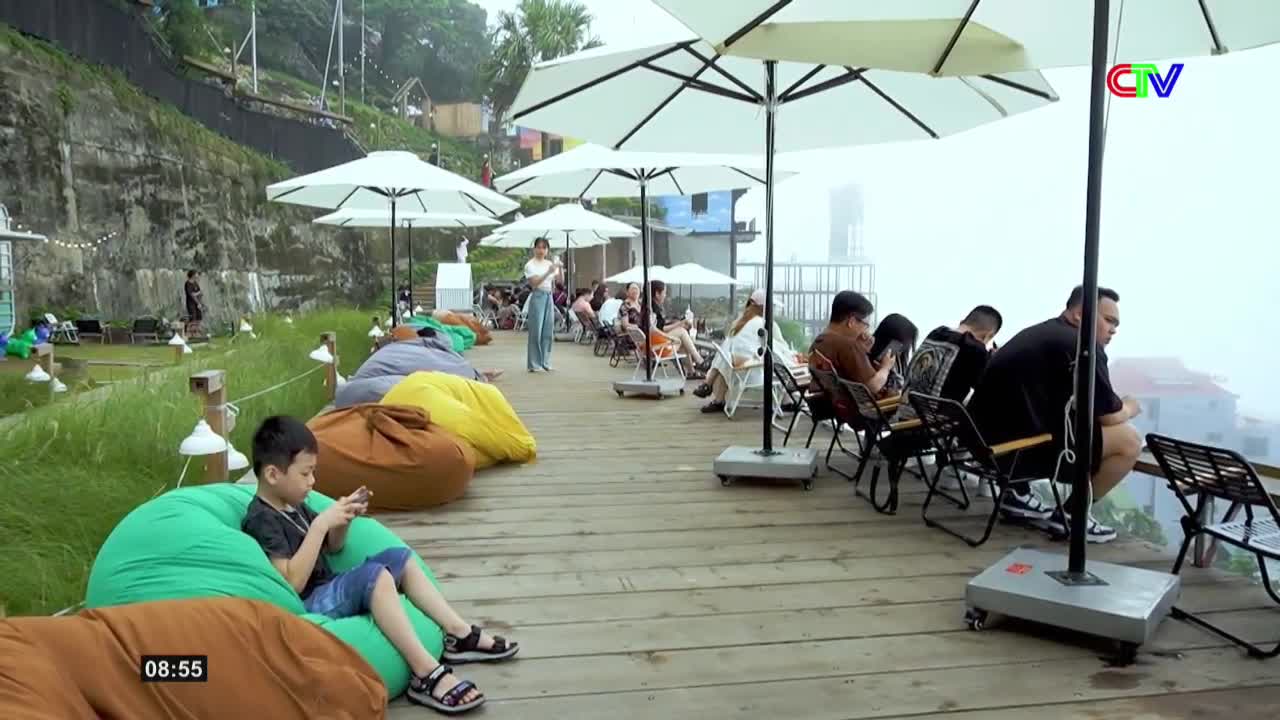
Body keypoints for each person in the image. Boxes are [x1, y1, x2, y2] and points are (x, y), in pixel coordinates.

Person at [241, 417, 519, 714]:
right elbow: (291, 583)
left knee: (399, 557)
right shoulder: (262, 519)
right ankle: (426, 673)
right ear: (272, 474)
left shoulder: (293, 504)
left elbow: (334, 548)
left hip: (329, 586)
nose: (312, 482)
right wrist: (320, 525)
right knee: (376, 576)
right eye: (306, 473)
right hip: (310, 601)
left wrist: (343, 520)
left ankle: (458, 633)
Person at [966, 286, 1142, 543]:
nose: (1113, 329)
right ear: (1081, 315)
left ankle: (1017, 494)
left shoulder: (1040, 333)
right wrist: (1131, 406)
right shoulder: (1082, 346)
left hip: (981, 444)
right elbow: (1109, 416)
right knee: (1130, 441)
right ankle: (1072, 515)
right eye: (1109, 320)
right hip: (1015, 453)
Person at [694, 289, 801, 413]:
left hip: (737, 372)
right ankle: (786, 401)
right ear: (765, 308)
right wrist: (794, 357)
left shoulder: (739, 323)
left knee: (727, 353)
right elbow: (779, 349)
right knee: (778, 361)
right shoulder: (765, 324)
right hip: (754, 373)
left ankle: (714, 392)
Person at [897, 305, 1003, 420]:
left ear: (962, 321)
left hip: (902, 420)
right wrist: (993, 361)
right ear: (988, 335)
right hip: (933, 430)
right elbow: (991, 391)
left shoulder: (936, 333)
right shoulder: (975, 349)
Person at [808, 290, 896, 396]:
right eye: (866, 324)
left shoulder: (819, 341)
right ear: (852, 321)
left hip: (827, 406)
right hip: (855, 410)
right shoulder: (848, 346)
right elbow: (873, 387)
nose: (865, 330)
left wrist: (861, 349)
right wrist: (886, 367)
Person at [649, 280, 705, 375]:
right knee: (682, 332)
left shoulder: (650, 308)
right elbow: (658, 330)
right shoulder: (653, 310)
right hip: (657, 347)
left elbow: (659, 328)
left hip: (652, 344)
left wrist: (678, 323)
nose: (665, 295)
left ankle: (692, 371)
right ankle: (700, 361)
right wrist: (676, 329)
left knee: (683, 339)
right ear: (657, 294)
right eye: (664, 293)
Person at [523, 237, 561, 372]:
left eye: (544, 248)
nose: (541, 250)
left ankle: (545, 361)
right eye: (538, 247)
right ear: (534, 249)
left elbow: (558, 281)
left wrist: (558, 267)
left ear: (547, 250)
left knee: (547, 331)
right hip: (537, 295)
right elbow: (534, 283)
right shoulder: (530, 265)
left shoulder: (549, 263)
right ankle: (534, 363)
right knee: (536, 331)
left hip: (549, 296)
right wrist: (548, 272)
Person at [867, 313, 919, 398]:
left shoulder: (897, 359)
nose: (904, 348)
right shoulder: (868, 359)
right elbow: (873, 389)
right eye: (902, 343)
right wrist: (885, 368)